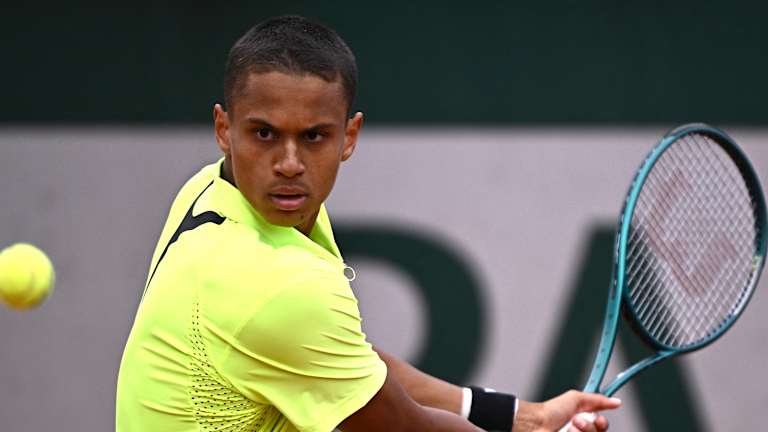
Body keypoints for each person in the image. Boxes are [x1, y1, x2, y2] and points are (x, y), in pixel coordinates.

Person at [115, 15, 621, 432]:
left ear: (348, 137)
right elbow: (404, 426)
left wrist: (524, 419)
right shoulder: (277, 285)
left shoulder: (211, 190)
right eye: (264, 134)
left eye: (313, 137)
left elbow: (351, 364)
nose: (289, 163)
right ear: (224, 129)